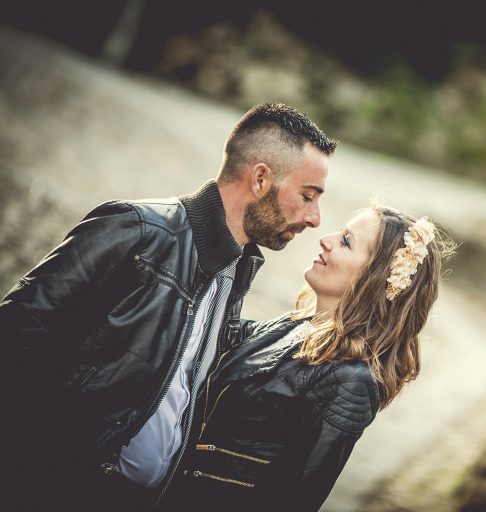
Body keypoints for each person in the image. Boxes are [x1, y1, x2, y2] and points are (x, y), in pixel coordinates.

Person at [0, 103, 336, 511]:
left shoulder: (235, 270)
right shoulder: (138, 230)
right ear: (261, 178)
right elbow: (16, 333)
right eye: (307, 196)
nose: (315, 218)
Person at [159, 204, 453, 511]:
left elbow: (295, 497)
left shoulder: (350, 381)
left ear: (375, 278)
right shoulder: (295, 326)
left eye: (346, 241)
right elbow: (217, 336)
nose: (326, 239)